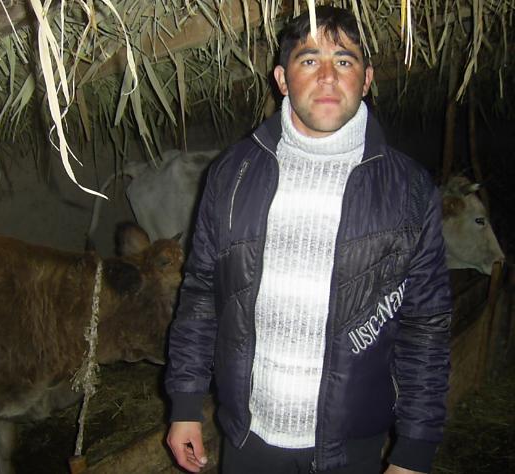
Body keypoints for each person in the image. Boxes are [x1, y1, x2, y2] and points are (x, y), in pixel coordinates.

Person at [165, 6, 451, 474]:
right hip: (249, 437)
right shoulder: (232, 174)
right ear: (282, 79)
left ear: (366, 78)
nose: (327, 76)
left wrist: (414, 450)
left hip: (351, 447)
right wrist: (185, 404)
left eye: (344, 60)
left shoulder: (409, 189)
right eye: (309, 60)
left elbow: (425, 325)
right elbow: (201, 293)